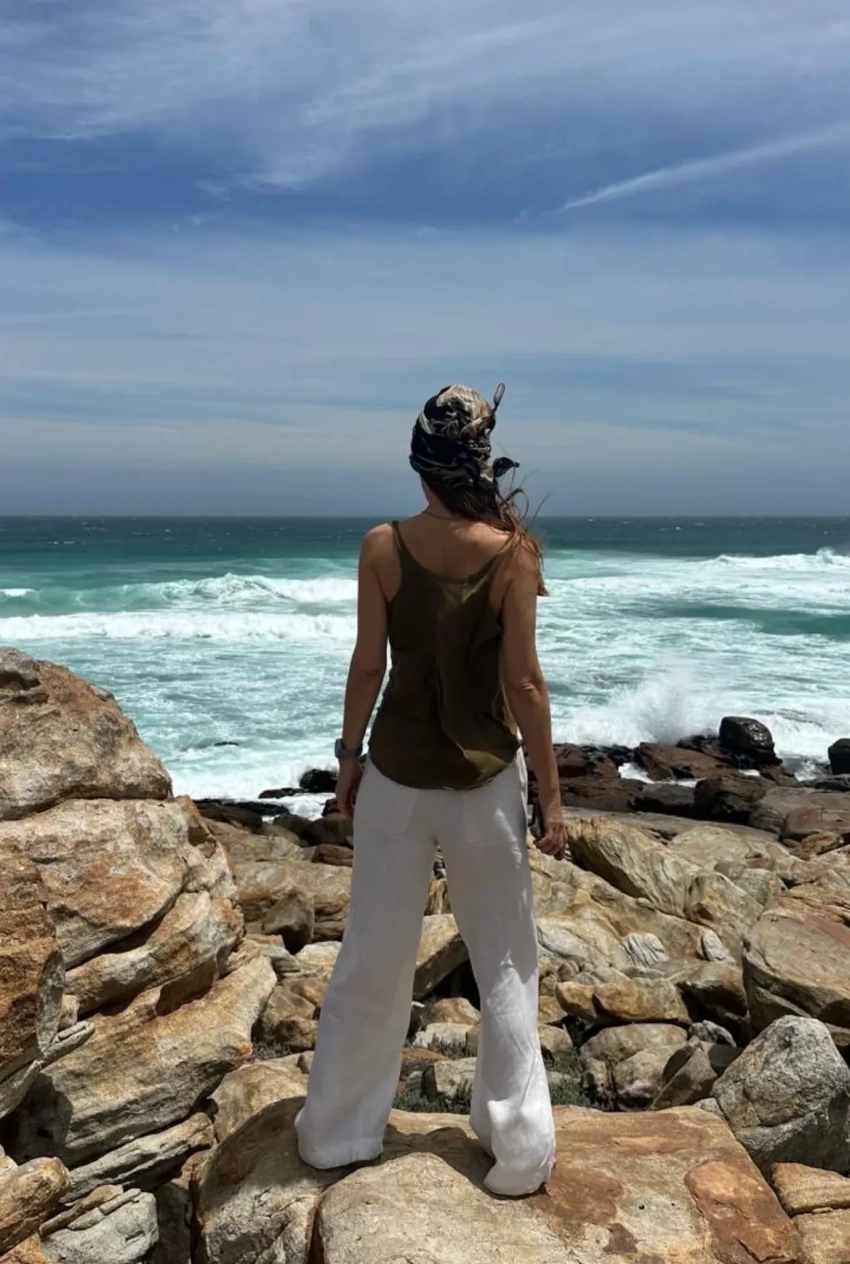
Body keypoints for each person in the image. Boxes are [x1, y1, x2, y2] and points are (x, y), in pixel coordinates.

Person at [295, 382, 568, 1197]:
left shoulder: (383, 546)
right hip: (485, 785)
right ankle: (519, 1151)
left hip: (396, 779)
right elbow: (525, 686)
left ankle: (338, 1134)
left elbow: (367, 666)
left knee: (374, 954)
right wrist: (551, 799)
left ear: (419, 464)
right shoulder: (513, 553)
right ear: (481, 463)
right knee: (506, 960)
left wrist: (347, 758)